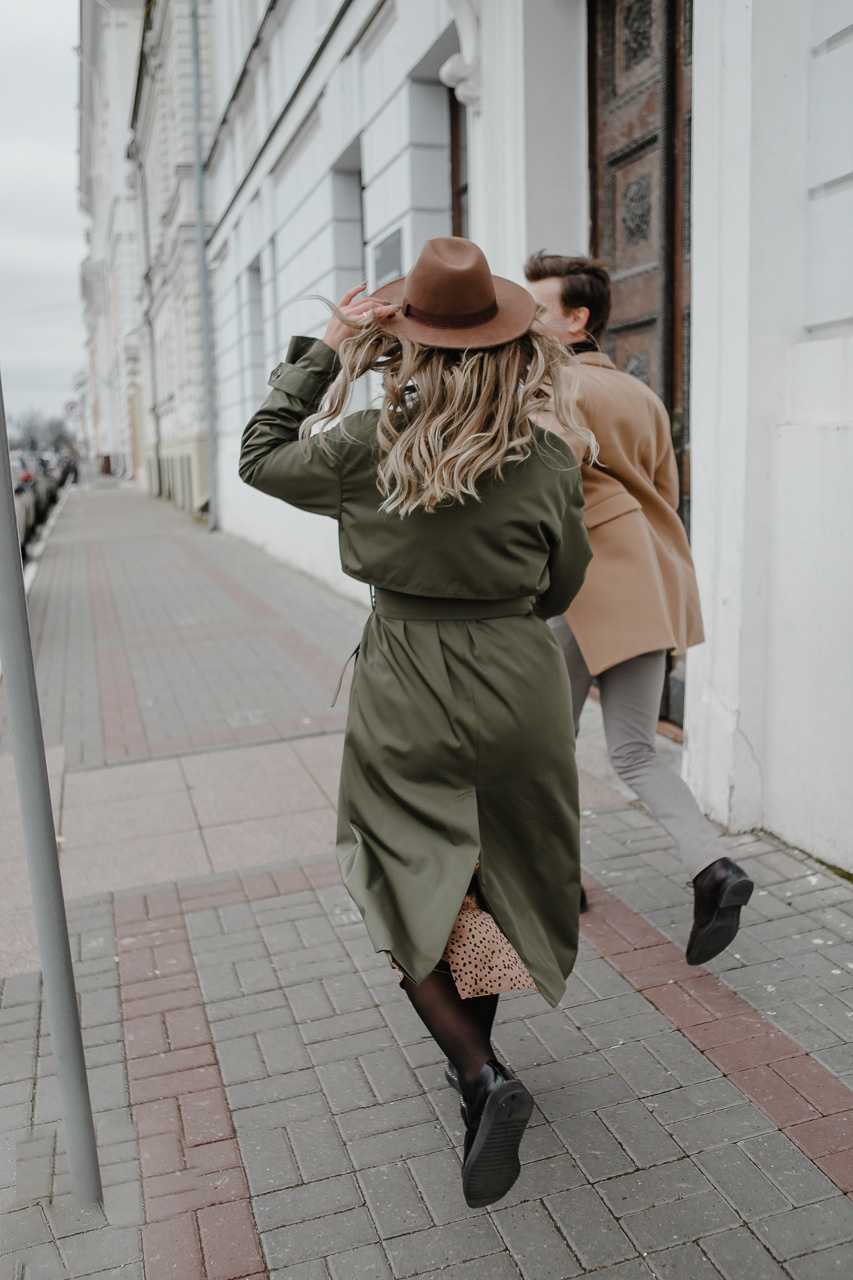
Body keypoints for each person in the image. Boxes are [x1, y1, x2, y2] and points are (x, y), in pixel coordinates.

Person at [240, 238, 593, 1208]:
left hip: (407, 688)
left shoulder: (365, 447)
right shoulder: (547, 452)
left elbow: (259, 452)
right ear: (507, 346)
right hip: (517, 686)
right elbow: (564, 581)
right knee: (486, 873)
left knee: (404, 882)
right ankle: (474, 1069)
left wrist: (325, 348)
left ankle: (482, 1075)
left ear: (407, 343)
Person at [524, 252, 753, 966]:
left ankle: (556, 884)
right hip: (648, 582)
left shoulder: (546, 389)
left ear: (575, 317)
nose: (524, 321)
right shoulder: (642, 396)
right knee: (633, 750)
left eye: (536, 309)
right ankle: (714, 868)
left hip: (577, 587)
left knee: (541, 749)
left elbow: (535, 497)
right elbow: (666, 490)